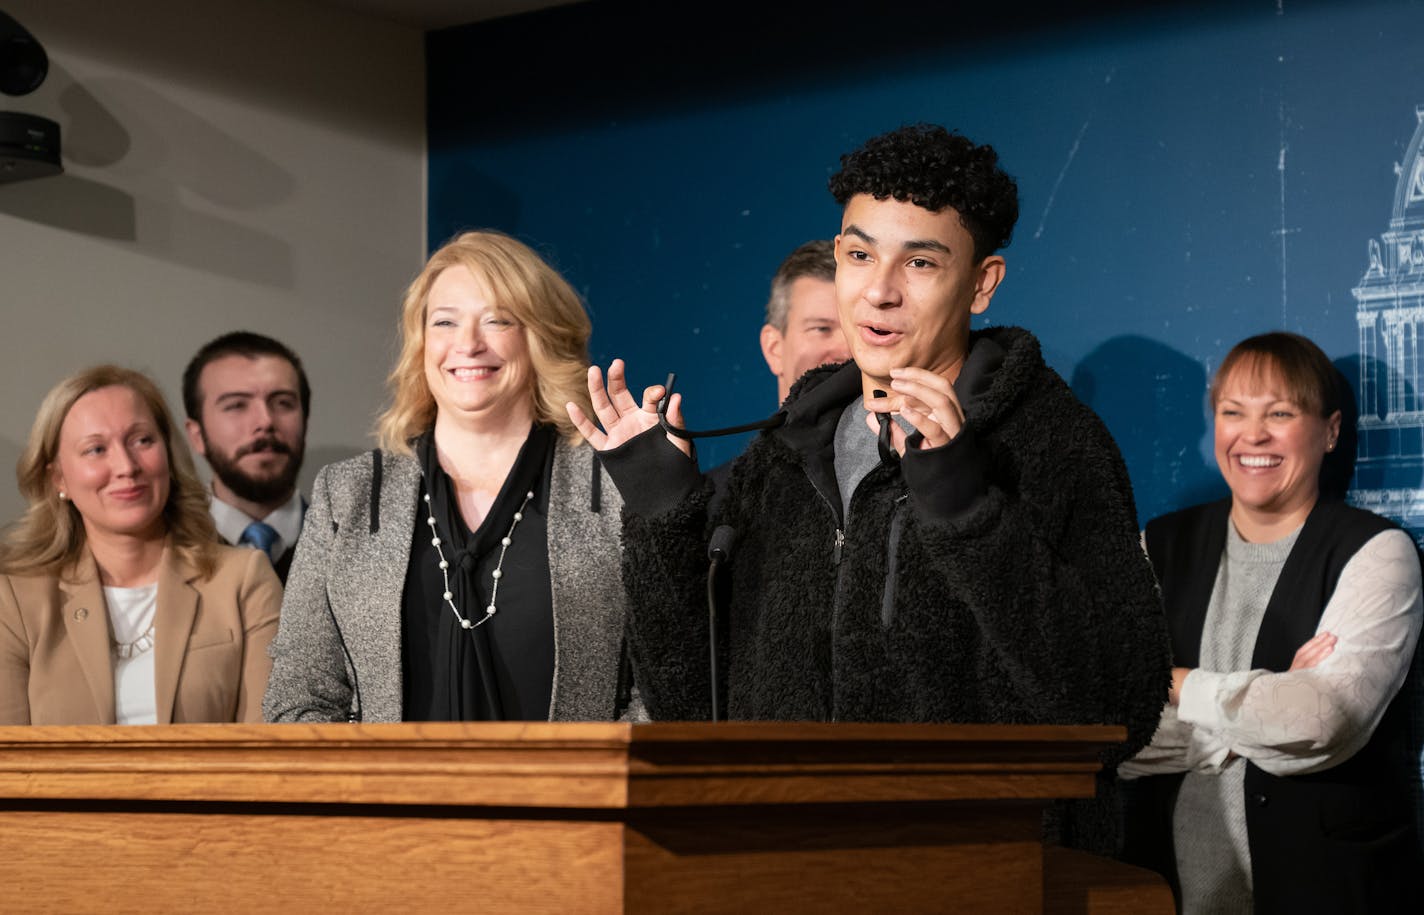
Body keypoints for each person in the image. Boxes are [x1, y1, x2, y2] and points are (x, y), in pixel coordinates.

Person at [568, 123, 1171, 850]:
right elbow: (692, 708)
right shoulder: (787, 448)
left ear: (983, 282)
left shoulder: (1053, 443)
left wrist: (968, 510)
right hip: (782, 873)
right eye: (857, 255)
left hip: (983, 879)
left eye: (920, 263)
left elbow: (1118, 710)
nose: (878, 292)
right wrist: (664, 517)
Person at [263, 230, 633, 723]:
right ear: (420, 344)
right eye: (444, 321)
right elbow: (298, 697)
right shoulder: (348, 495)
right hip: (394, 798)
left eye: (498, 320)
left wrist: (593, 792)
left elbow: (666, 683)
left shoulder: (611, 484)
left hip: (576, 798)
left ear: (539, 336)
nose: (468, 344)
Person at [1119, 332, 1422, 913]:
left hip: (1328, 892)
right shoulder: (1160, 543)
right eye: (1233, 413)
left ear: (1330, 431)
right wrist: (1269, 698)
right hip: (1168, 889)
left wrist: (1170, 681)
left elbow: (1321, 718)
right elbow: (1108, 728)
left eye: (1279, 413)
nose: (1252, 435)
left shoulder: (1378, 551)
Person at [0, 365, 282, 724]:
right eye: (95, 449)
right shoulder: (15, 600)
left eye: (142, 441)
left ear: (167, 452)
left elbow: (268, 752)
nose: (126, 466)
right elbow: (9, 763)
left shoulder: (243, 580)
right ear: (59, 478)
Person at [182, 331, 310, 584]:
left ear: (305, 421)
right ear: (197, 436)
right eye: (237, 405)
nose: (265, 421)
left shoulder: (351, 549)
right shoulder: (166, 554)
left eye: (283, 403)